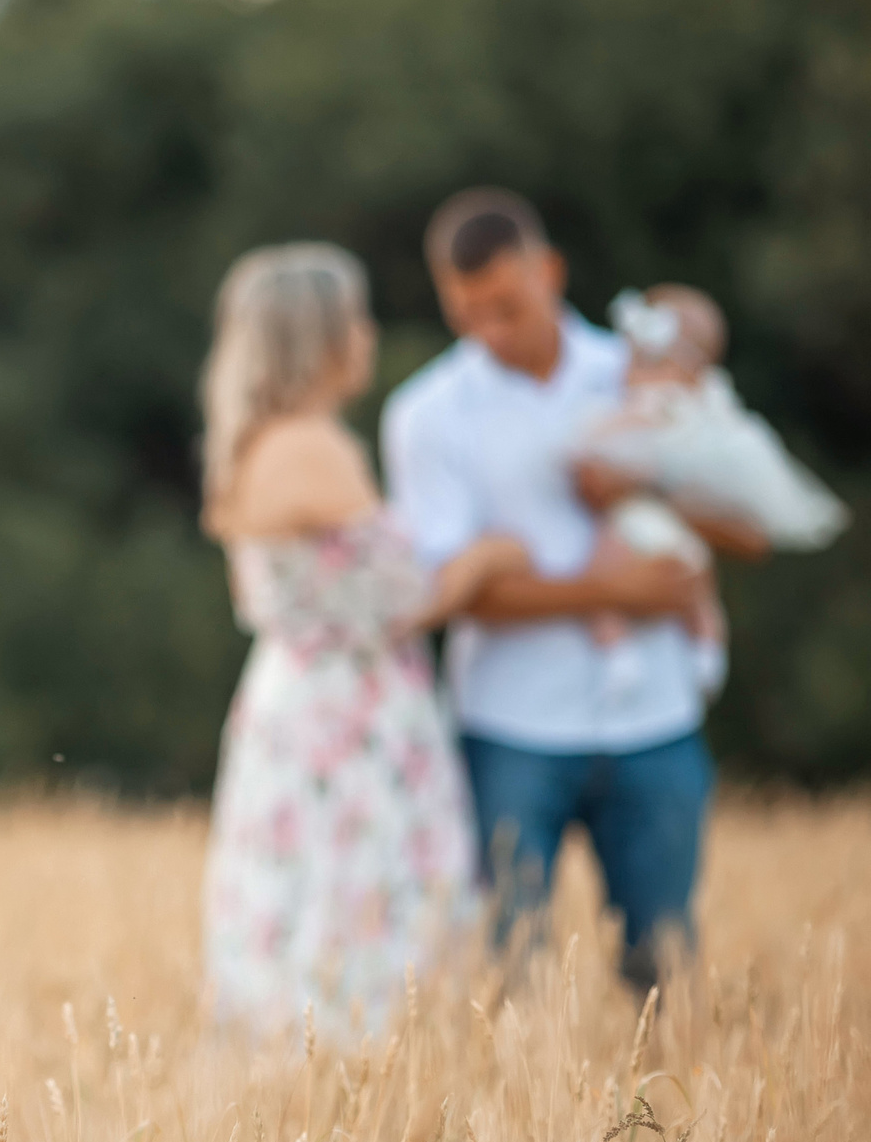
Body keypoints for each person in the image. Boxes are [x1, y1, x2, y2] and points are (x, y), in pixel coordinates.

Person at [381, 191, 760, 993]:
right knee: (505, 969)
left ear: (549, 271)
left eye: (506, 307)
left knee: (664, 965)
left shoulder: (644, 373)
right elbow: (452, 591)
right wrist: (613, 587)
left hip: (655, 718)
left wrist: (650, 491)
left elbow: (751, 526)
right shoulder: (425, 414)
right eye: (466, 312)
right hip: (509, 723)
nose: (488, 330)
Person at [199, 243, 527, 1033]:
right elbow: (402, 598)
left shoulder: (249, 444)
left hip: (292, 700)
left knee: (295, 905)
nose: (369, 336)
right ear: (319, 337)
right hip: (351, 718)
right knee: (360, 910)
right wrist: (487, 555)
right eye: (358, 319)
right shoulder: (315, 447)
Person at [577, 283, 849, 696]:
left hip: (651, 526)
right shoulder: (710, 409)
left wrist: (637, 481)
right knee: (678, 584)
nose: (630, 367)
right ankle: (688, 650)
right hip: (651, 526)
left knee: (634, 575)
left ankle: (655, 651)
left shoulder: (667, 408)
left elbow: (752, 538)